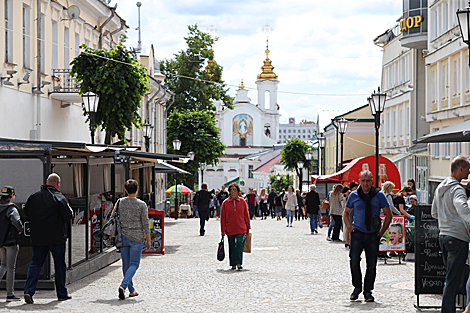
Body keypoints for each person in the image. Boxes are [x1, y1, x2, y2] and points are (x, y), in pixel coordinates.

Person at [343, 170, 392, 302]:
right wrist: (349, 227)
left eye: (368, 181)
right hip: (358, 233)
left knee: (371, 265)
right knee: (354, 261)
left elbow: (389, 215)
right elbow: (346, 213)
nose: (365, 183)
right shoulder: (353, 195)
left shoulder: (379, 195)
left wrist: (381, 233)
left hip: (372, 234)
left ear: (372, 181)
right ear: (359, 181)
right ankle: (357, 287)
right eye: (363, 180)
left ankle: (368, 291)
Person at [24, 174, 73, 304]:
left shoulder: (34, 196)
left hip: (38, 237)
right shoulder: (60, 198)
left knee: (36, 263)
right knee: (59, 265)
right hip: (57, 238)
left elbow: (27, 212)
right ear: (58, 184)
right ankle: (62, 294)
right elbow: (68, 215)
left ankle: (28, 291)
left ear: (46, 182)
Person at [431, 156, 470, 313]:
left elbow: (434, 212)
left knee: (451, 279)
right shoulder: (457, 189)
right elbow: (462, 209)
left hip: (443, 236)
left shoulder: (441, 187)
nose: (469, 172)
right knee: (453, 281)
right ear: (460, 168)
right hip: (457, 238)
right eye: (468, 169)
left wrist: (447, 218)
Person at [111, 179, 151, 300]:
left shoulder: (120, 202)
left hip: (123, 237)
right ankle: (123, 286)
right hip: (137, 238)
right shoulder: (141, 204)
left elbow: (112, 217)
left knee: (126, 264)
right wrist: (148, 239)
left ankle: (132, 290)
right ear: (137, 189)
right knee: (134, 264)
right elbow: (145, 223)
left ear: (125, 190)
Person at [220, 183, 251, 270]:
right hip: (230, 228)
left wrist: (248, 226)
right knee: (232, 245)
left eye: (235, 190)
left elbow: (246, 215)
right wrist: (223, 230)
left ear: (238, 191)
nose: (233, 191)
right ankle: (233, 263)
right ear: (229, 192)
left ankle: (239, 263)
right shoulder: (225, 203)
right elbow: (222, 218)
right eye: (231, 190)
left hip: (241, 227)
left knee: (239, 243)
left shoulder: (242, 202)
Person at [0, 186, 23, 302]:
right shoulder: (11, 208)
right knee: (10, 267)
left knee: (3, 265)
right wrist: (20, 228)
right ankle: (10, 294)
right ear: (11, 196)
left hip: (0, 242)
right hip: (11, 242)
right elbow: (15, 220)